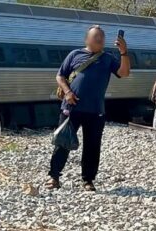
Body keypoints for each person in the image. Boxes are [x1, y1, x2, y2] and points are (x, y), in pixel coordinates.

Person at [46, 25, 131, 192]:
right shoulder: (75, 54)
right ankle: (54, 176)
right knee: (62, 142)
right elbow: (60, 75)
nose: (100, 39)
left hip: (95, 110)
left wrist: (123, 53)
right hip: (71, 107)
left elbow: (124, 73)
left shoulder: (108, 58)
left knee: (92, 146)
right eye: (96, 36)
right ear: (87, 39)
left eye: (102, 36)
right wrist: (68, 91)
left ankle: (88, 180)